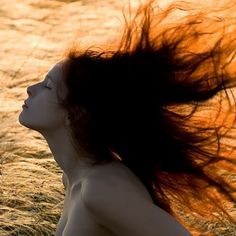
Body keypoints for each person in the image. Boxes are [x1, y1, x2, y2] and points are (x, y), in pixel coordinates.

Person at [19, 0, 236, 235]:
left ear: (76, 113)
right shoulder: (75, 179)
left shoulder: (101, 189)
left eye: (48, 86)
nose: (31, 88)